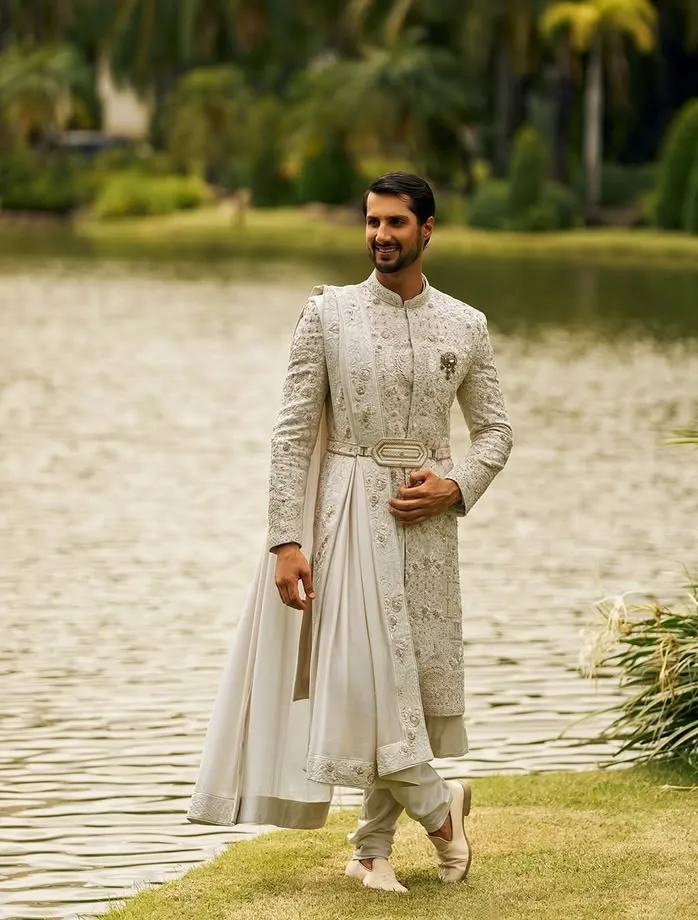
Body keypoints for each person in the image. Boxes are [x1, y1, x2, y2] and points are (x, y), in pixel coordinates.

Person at [187, 172, 513, 893]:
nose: (380, 236)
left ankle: (370, 849)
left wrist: (455, 486)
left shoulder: (466, 325)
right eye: (372, 222)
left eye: (396, 223)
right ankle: (440, 810)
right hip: (344, 516)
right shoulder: (327, 315)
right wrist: (285, 539)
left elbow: (495, 432)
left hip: (426, 528)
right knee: (359, 683)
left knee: (403, 689)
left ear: (427, 229)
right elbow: (291, 434)